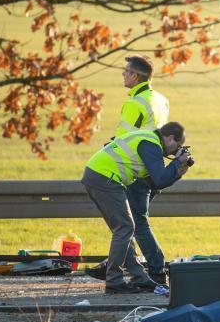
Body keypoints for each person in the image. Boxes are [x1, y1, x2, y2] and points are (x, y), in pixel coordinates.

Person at [86, 55, 170, 285]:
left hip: (134, 167)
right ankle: (123, 266)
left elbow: (124, 139)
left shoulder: (134, 103)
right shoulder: (161, 99)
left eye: (126, 71)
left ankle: (154, 270)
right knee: (131, 223)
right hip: (152, 166)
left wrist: (109, 150)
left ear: (135, 76)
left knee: (132, 223)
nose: (123, 74)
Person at [81, 122, 192, 293]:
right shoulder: (151, 144)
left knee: (125, 228)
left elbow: (155, 182)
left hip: (99, 175)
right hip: (105, 177)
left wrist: (178, 172)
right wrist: (177, 162)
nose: (174, 151)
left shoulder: (148, 141)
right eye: (177, 146)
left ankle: (139, 277)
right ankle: (114, 282)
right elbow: (161, 179)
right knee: (125, 227)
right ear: (170, 138)